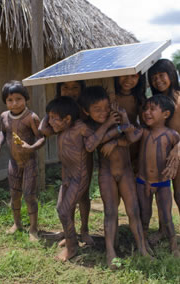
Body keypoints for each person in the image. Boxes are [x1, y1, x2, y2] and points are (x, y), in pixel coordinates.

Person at [39, 95, 119, 261]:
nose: (50, 122)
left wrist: (108, 125)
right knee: (62, 209)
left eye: (54, 118)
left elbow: (92, 143)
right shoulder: (60, 129)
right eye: (50, 117)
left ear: (68, 119)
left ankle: (73, 246)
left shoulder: (80, 127)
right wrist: (51, 113)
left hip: (79, 178)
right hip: (67, 178)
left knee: (63, 210)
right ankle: (72, 237)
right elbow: (43, 128)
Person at [79, 86, 149, 269]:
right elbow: (90, 145)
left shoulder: (117, 116)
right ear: (86, 111)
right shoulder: (90, 127)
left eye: (105, 108)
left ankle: (142, 248)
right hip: (107, 173)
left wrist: (121, 125)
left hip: (125, 171)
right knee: (110, 212)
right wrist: (111, 127)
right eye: (97, 110)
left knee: (133, 210)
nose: (103, 113)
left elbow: (134, 136)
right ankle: (111, 253)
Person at [119, 94, 180, 256]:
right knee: (144, 215)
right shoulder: (143, 132)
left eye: (153, 109)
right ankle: (143, 242)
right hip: (142, 181)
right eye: (145, 109)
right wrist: (125, 119)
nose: (147, 112)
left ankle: (174, 245)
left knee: (167, 216)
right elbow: (131, 137)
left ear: (166, 114)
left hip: (163, 183)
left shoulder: (172, 135)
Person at [0, 81, 45, 241]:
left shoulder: (31, 117)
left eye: (18, 99)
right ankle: (17, 224)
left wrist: (31, 147)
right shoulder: (4, 116)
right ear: (5, 101)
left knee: (29, 195)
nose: (14, 103)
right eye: (10, 100)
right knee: (14, 195)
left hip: (29, 163)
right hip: (13, 163)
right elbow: (2, 132)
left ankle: (33, 228)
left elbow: (41, 138)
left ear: (26, 98)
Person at [52, 80, 94, 246]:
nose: (70, 91)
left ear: (82, 90)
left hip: (84, 160)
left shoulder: (85, 110)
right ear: (59, 90)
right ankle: (69, 231)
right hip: (67, 163)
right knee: (67, 193)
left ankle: (84, 230)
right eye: (65, 87)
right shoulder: (57, 109)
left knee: (83, 196)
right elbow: (44, 129)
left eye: (75, 87)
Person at [148, 59, 180, 241]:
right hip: (159, 157)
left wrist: (178, 148)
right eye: (153, 78)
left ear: (171, 75)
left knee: (179, 194)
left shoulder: (179, 99)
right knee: (161, 195)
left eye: (161, 75)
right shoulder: (153, 102)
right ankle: (162, 230)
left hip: (178, 156)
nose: (157, 80)